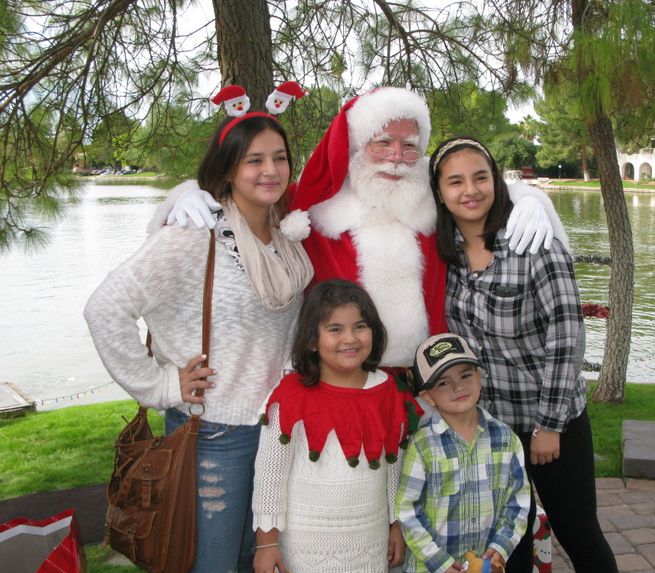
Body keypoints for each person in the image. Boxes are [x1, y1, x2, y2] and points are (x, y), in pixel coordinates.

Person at [84, 92, 313, 573]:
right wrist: (160, 385)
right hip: (215, 430)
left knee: (258, 569)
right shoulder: (196, 234)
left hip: (276, 431)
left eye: (279, 157)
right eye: (254, 159)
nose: (270, 170)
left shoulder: (283, 236)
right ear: (228, 167)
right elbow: (106, 307)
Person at [166, 86, 567, 368]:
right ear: (358, 146)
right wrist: (187, 194)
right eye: (383, 142)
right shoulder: (313, 208)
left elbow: (475, 190)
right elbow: (248, 197)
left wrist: (528, 197)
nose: (396, 157)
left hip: (428, 379)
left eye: (409, 146)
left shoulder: (431, 202)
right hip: (341, 378)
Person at [428, 137, 622, 573]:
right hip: (491, 428)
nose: (470, 190)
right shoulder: (446, 255)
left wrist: (549, 425)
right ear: (438, 192)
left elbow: (567, 336)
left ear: (496, 180)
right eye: (455, 181)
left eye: (480, 177)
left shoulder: (533, 243)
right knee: (504, 544)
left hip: (550, 423)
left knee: (578, 533)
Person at [251, 279, 410, 573]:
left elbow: (394, 464)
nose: (349, 338)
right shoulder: (290, 396)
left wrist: (396, 524)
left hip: (368, 540)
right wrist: (267, 542)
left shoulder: (387, 390)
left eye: (360, 326)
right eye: (335, 329)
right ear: (312, 339)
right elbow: (269, 475)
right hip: (306, 546)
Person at [396, 333, 530, 573]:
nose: (458, 387)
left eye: (466, 376)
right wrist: (437, 559)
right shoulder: (422, 445)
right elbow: (408, 509)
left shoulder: (506, 439)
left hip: (481, 572)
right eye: (444, 382)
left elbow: (518, 502)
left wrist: (500, 549)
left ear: (480, 377)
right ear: (428, 396)